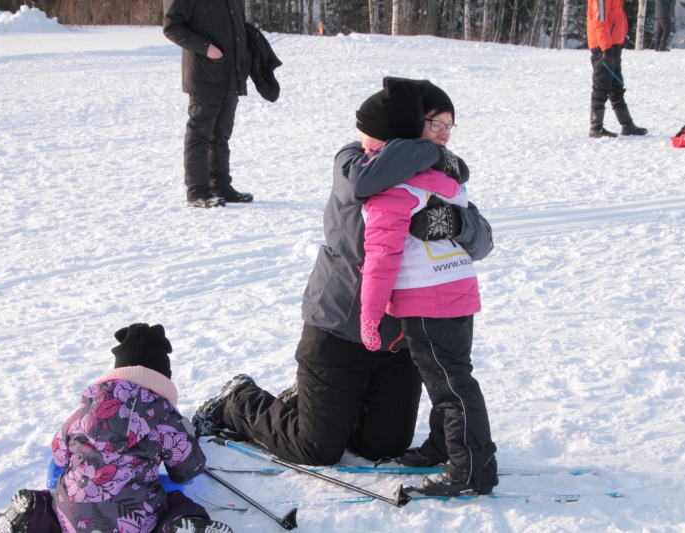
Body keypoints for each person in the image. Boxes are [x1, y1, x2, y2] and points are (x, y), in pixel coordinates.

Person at [191, 78, 494, 469]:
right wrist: (427, 155)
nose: (444, 137)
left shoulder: (440, 176)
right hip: (339, 329)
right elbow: (361, 185)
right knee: (316, 449)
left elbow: (483, 242)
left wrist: (455, 222)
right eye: (435, 125)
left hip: (399, 340)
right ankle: (238, 400)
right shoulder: (355, 162)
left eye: (449, 127)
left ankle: (316, 403)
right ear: (409, 127)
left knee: (382, 446)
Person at [358, 92, 498, 496]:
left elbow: (381, 256)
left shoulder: (394, 188)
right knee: (448, 377)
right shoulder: (444, 178)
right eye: (435, 125)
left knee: (451, 385)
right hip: (456, 291)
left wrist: (370, 314)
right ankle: (444, 445)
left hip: (427, 297)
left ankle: (471, 467)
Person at [0, 324, 232, 533]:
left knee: (50, 504)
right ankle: (180, 524)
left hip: (73, 517)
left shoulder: (84, 410)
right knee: (177, 502)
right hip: (137, 522)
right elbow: (188, 469)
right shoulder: (164, 418)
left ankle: (31, 514)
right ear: (162, 380)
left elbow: (59, 452)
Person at [164, 0, 253, 208]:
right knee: (200, 133)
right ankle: (197, 192)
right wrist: (206, 48)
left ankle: (220, 186)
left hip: (231, 72)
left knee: (221, 134)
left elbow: (237, 23)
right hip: (204, 73)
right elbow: (171, 26)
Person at [587, 0, 648, 138]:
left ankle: (627, 125)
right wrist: (606, 48)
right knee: (601, 86)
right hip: (603, 46)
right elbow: (599, 21)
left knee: (616, 85)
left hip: (613, 45)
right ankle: (596, 128)